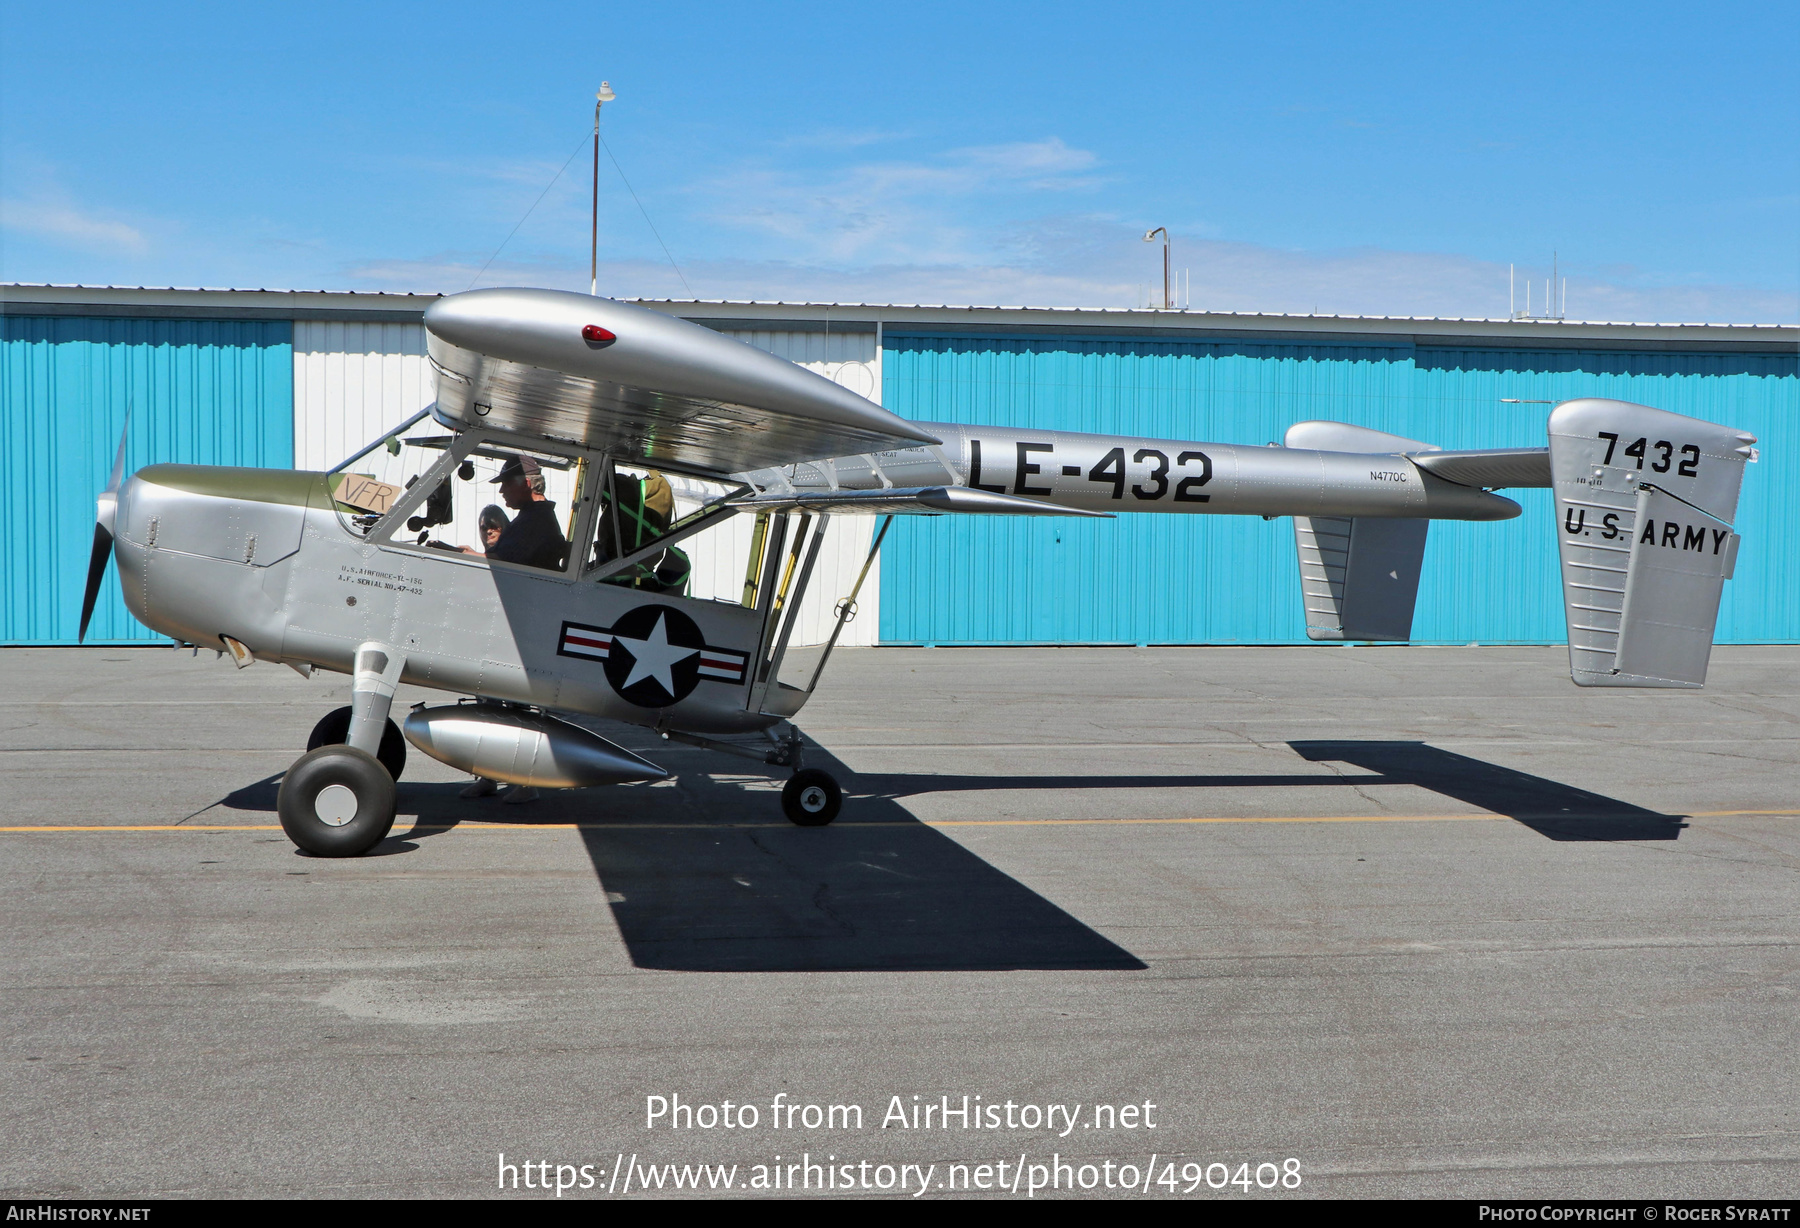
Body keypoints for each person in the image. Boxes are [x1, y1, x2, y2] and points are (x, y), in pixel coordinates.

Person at [464, 455, 565, 572]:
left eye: (506, 484)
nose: (501, 490)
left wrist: (465, 553)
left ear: (526, 484)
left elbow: (499, 561)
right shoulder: (534, 515)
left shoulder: (535, 521)